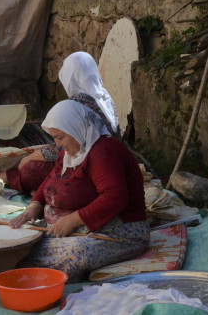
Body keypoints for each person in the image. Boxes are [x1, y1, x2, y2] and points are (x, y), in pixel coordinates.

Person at [9, 100, 149, 283]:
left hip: (120, 233)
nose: (57, 144)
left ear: (77, 129)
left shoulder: (104, 153)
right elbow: (50, 181)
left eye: (60, 137)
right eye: (55, 138)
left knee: (75, 252)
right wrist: (34, 207)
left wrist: (73, 220)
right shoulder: (71, 152)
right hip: (84, 226)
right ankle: (16, 260)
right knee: (17, 235)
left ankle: (18, 267)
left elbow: (114, 197)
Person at [0, 51, 120, 193]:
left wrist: (28, 158)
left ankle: (0, 178)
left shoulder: (78, 105)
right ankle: (1, 177)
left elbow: (62, 149)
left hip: (92, 164)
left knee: (30, 170)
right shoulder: (104, 96)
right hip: (111, 160)